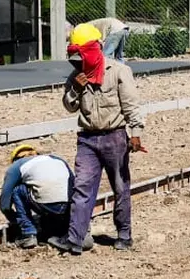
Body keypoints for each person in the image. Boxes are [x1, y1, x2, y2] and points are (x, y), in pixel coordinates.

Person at [48, 23, 145, 256]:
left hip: (115, 137)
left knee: (120, 187)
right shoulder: (75, 77)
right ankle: (75, 239)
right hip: (88, 140)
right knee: (82, 188)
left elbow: (131, 105)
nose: (78, 62)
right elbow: (69, 107)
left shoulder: (119, 71)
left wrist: (136, 134)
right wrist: (76, 90)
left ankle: (124, 235)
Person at [0, 143, 83, 249]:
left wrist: (15, 219)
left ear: (15, 159)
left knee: (17, 190)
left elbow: (5, 203)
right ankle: (75, 231)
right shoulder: (56, 158)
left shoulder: (16, 166)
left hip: (46, 204)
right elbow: (73, 183)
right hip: (68, 205)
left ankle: (28, 234)